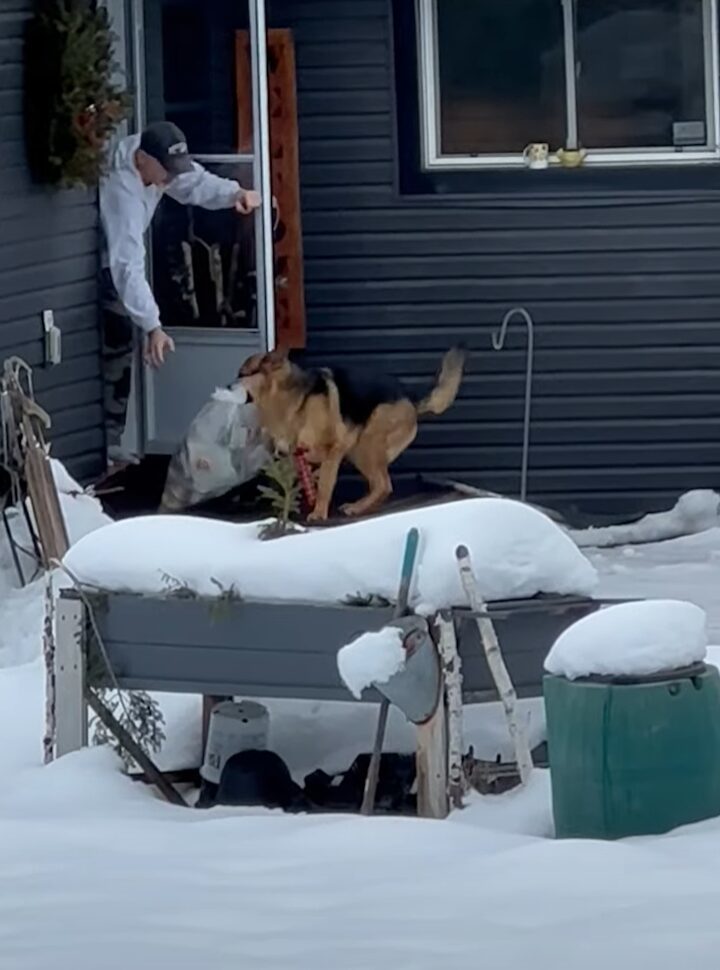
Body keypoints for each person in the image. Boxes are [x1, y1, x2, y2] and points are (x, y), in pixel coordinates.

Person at [98, 120, 261, 470]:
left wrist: (236, 194)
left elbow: (194, 184)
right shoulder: (121, 192)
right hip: (105, 264)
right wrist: (153, 325)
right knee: (118, 347)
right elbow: (126, 264)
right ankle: (108, 449)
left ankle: (112, 444)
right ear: (142, 159)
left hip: (124, 263)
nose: (172, 177)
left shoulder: (157, 165)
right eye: (166, 170)